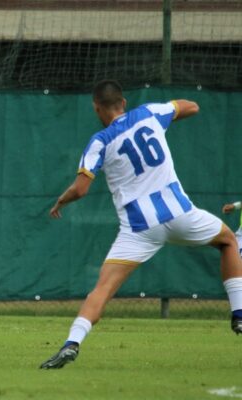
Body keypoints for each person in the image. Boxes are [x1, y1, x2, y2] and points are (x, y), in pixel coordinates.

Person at [40, 79, 242, 369]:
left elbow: (81, 189)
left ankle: (72, 343)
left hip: (139, 229)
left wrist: (61, 200)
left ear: (97, 109)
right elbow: (192, 106)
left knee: (102, 289)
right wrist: (173, 112)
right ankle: (238, 313)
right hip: (181, 214)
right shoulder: (149, 113)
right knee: (228, 241)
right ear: (123, 103)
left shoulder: (99, 141)